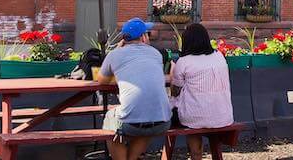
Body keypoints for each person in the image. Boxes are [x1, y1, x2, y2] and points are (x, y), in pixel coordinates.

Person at [97, 18, 172, 160]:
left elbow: (101, 80)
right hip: (163, 121)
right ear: (143, 37)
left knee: (109, 119)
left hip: (132, 125)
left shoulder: (115, 54)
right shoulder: (155, 54)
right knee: (145, 118)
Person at [171, 24, 234, 160]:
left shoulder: (184, 61)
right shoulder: (219, 56)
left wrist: (172, 72)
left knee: (186, 115)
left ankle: (196, 156)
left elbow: (175, 91)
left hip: (194, 118)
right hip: (223, 115)